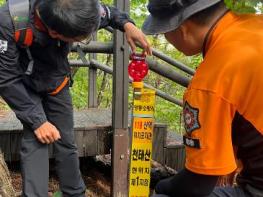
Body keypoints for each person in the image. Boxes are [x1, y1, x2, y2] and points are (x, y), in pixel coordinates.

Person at [0, 0, 151, 196]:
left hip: (56, 82)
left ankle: (74, 193)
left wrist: (127, 24)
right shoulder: (10, 20)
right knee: (36, 138)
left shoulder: (79, 7)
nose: (81, 40)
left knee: (66, 141)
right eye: (78, 39)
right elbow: (6, 78)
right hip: (24, 86)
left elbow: (108, 13)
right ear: (54, 33)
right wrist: (38, 122)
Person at [142, 0, 263, 196]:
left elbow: (198, 185)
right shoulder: (256, 25)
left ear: (182, 28)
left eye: (163, 30)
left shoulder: (210, 81)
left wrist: (162, 186)